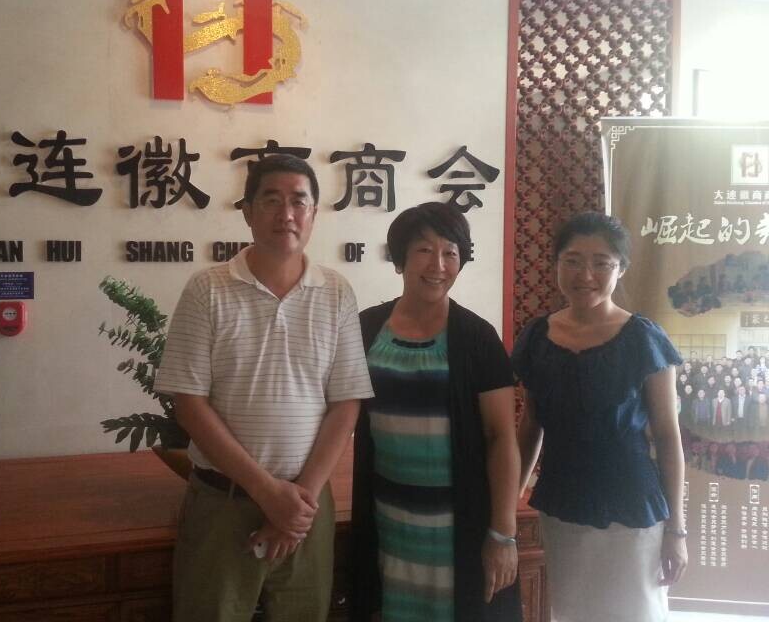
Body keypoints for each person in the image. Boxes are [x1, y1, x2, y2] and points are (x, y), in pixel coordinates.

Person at [154, 155, 374, 622]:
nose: (286, 213)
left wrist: (296, 503)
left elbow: (345, 403)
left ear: (314, 213)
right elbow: (189, 403)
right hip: (224, 504)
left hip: (307, 507)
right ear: (248, 212)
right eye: (271, 200)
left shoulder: (336, 292)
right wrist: (267, 492)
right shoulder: (207, 289)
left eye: (299, 201)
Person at [350, 202, 522, 621]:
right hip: (388, 519)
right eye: (424, 250)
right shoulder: (366, 328)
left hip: (460, 525)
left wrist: (503, 532)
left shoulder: (477, 338)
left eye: (450, 252)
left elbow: (502, 437)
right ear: (400, 259)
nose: (438, 265)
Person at [514, 212, 687, 622]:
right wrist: (507, 507)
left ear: (620, 268)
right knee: (571, 612)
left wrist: (677, 530)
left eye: (601, 262)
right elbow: (530, 426)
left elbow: (667, 437)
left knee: (635, 612)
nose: (585, 274)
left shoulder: (643, 338)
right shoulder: (537, 337)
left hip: (632, 508)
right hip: (562, 504)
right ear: (556, 264)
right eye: (573, 260)